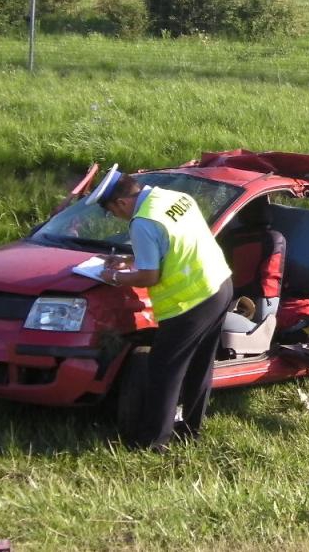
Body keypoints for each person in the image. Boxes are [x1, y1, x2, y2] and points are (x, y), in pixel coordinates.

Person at [86, 164, 233, 451]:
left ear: (121, 202)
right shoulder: (173, 198)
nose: (116, 217)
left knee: (164, 371)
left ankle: (153, 442)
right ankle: (190, 431)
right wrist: (130, 260)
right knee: (200, 365)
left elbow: (149, 277)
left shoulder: (142, 222)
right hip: (219, 285)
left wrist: (113, 277)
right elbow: (176, 244)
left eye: (112, 211)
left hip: (189, 302)